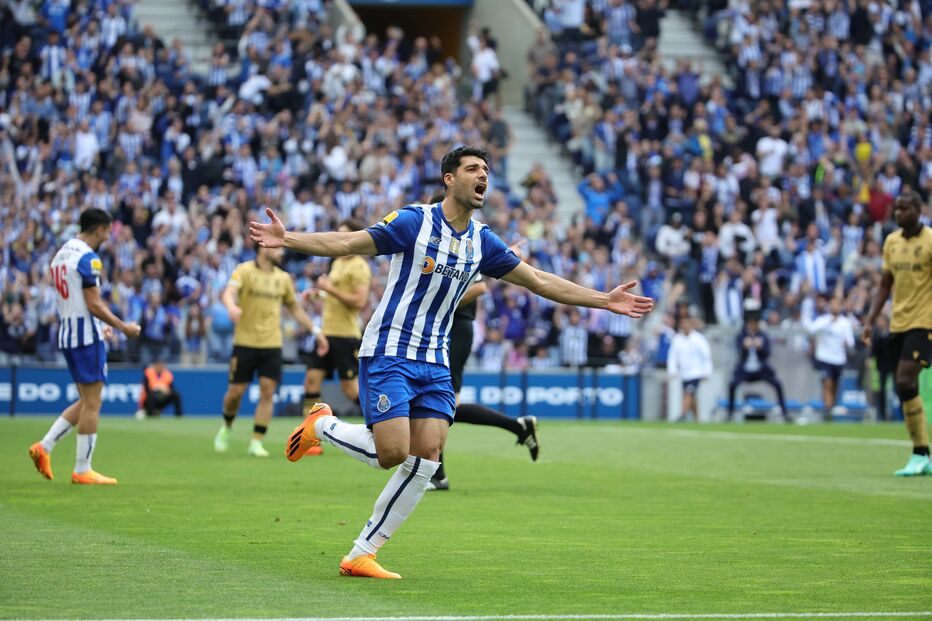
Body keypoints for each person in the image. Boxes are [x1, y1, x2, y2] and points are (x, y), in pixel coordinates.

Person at [250, 146, 653, 580]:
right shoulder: (413, 221)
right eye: (473, 169)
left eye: (486, 170)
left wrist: (603, 300)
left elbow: (538, 280)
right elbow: (348, 242)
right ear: (449, 178)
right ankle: (322, 425)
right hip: (390, 350)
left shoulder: (483, 241)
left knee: (427, 455)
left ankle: (362, 553)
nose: (483, 176)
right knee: (391, 453)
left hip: (435, 360)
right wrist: (287, 239)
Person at [28, 208, 142, 485]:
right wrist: (123, 327)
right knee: (93, 403)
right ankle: (82, 469)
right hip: (86, 338)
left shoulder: (62, 253)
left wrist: (98, 325)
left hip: (68, 333)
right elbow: (93, 302)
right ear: (100, 229)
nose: (108, 236)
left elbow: (76, 301)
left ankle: (44, 446)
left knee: (86, 400)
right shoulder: (88, 258)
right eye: (108, 231)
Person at [212, 245, 328, 457]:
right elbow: (228, 293)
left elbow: (294, 308)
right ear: (264, 249)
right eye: (277, 248)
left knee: (267, 391)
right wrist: (231, 306)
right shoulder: (244, 270)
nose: (281, 252)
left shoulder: (283, 278)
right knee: (235, 393)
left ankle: (256, 441)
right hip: (245, 342)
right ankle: (227, 426)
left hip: (272, 343)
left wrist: (315, 330)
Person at [862, 191, 932, 476]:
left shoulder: (930, 240)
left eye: (905, 209)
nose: (899, 213)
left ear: (918, 210)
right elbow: (884, 285)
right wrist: (870, 320)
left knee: (904, 379)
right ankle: (922, 453)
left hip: (924, 322)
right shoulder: (891, 242)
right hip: (898, 323)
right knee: (904, 387)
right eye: (898, 209)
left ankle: (920, 452)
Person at [301, 218, 372, 439]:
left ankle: (381, 424)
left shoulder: (359, 266)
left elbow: (359, 301)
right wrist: (319, 295)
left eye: (344, 234)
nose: (340, 238)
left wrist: (329, 289)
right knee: (311, 380)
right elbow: (335, 295)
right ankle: (309, 438)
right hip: (327, 333)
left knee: (350, 389)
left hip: (346, 335)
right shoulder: (338, 262)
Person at [726, 310, 789, 422]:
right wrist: (745, 347)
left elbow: (767, 352)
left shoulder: (763, 336)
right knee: (732, 384)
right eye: (750, 324)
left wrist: (760, 347)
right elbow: (737, 350)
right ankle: (730, 414)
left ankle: (784, 413)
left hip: (761, 369)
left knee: (777, 384)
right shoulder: (742, 336)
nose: (752, 326)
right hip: (745, 369)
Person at [806, 296, 855, 420]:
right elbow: (811, 330)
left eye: (837, 304)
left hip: (839, 359)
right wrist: (829, 322)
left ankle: (830, 408)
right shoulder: (823, 320)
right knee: (827, 383)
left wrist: (847, 343)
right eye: (833, 304)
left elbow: (851, 341)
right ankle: (828, 410)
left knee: (835, 385)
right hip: (824, 358)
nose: (835, 307)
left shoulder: (845, 323)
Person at [666, 316, 713, 422]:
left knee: (688, 392)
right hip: (684, 373)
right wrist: (672, 370)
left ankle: (682, 415)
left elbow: (706, 356)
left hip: (696, 372)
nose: (685, 326)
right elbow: (673, 356)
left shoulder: (699, 339)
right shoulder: (677, 339)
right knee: (692, 396)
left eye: (687, 323)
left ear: (691, 325)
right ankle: (697, 419)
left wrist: (707, 371)